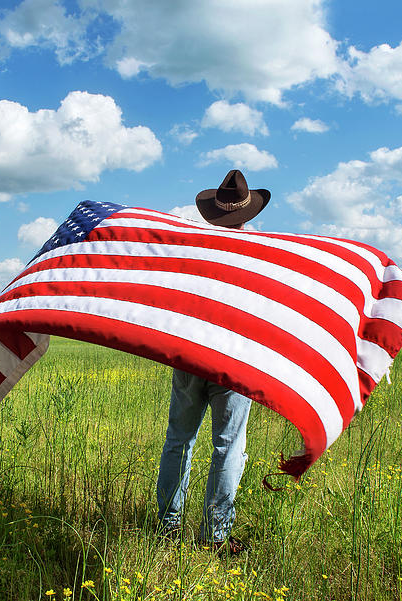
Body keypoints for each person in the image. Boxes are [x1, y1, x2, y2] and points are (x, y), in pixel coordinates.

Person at [156, 169, 270, 555]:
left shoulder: (194, 247)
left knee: (178, 441)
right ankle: (215, 536)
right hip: (236, 360)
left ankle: (168, 527)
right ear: (248, 212)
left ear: (212, 212)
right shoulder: (262, 253)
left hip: (190, 354)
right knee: (228, 447)